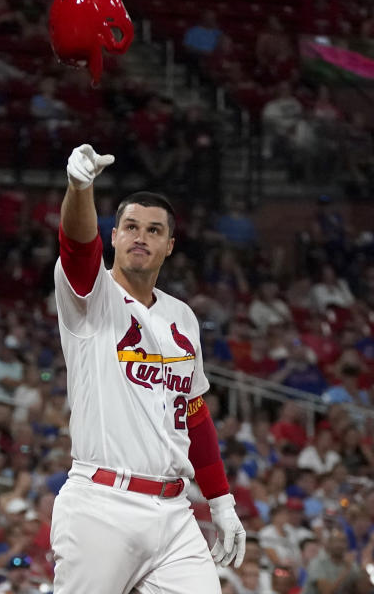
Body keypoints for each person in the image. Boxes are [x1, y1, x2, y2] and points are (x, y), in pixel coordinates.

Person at [51, 144, 246, 592]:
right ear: (115, 236)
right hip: (103, 505)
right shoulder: (91, 297)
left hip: (174, 513)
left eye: (154, 230)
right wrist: (80, 188)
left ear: (169, 245)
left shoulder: (183, 316)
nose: (141, 236)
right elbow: (78, 246)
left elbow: (194, 413)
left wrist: (220, 501)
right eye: (132, 227)